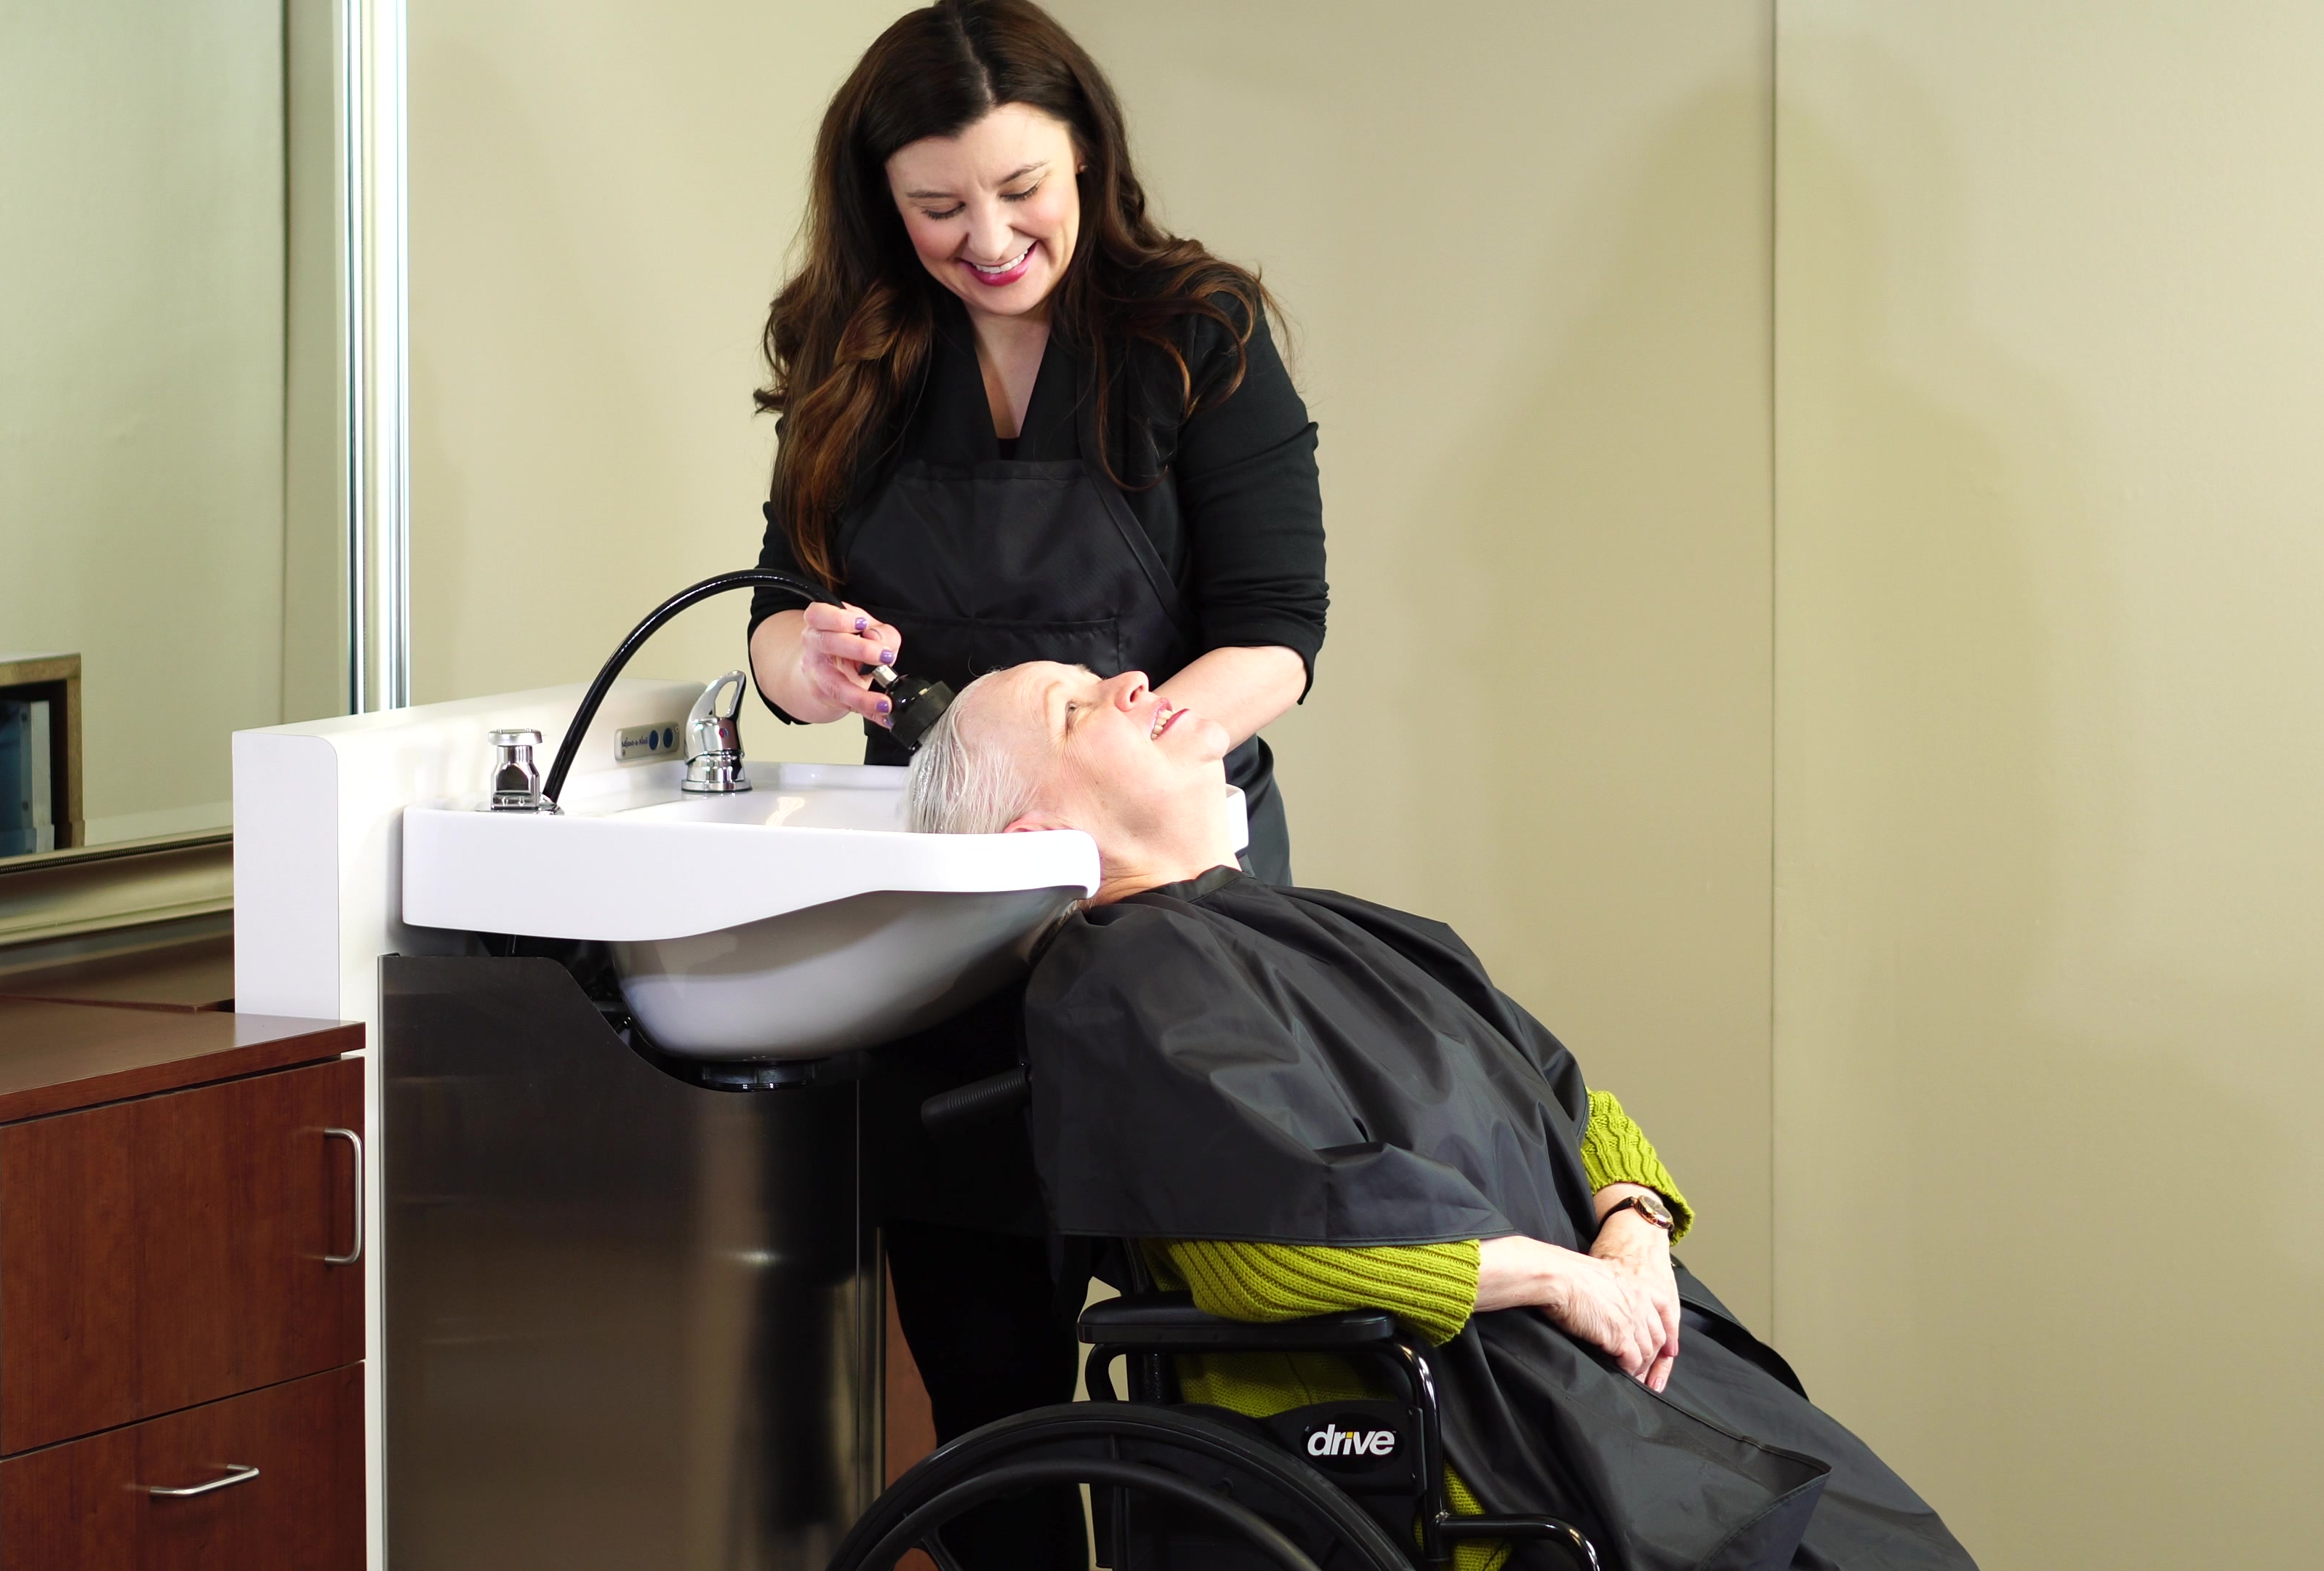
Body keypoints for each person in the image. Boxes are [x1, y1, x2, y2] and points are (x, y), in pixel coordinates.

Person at [903, 663, 1981, 1571]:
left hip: (1624, 1352)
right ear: (1034, 832)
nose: (1133, 680)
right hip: (1489, 1408)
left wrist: (1635, 1222)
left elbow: (1563, 1091)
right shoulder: (1123, 980)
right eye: (1077, 710)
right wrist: (1558, 1277)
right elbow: (1260, 1253)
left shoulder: (1322, 925)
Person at [741, 4, 1327, 1564]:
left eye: (1024, 191)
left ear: (1089, 158)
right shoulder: (853, 351)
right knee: (988, 1379)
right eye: (938, 209)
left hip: (1164, 915)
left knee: (1210, 1355)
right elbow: (774, 610)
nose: (989, 239)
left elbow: (1278, 635)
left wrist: (1119, 761)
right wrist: (800, 659)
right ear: (881, 204)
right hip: (943, 924)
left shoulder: (1196, 330)